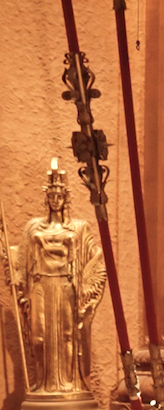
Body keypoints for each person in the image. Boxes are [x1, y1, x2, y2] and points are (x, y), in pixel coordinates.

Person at [9, 161, 105, 395]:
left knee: (68, 335)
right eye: (52, 195)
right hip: (41, 285)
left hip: (66, 286)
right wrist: (13, 271)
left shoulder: (79, 228)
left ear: (65, 198)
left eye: (60, 196)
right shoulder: (33, 228)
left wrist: (88, 291)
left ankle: (70, 384)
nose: (55, 200)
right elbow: (21, 260)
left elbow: (98, 258)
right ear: (47, 198)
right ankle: (43, 384)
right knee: (39, 337)